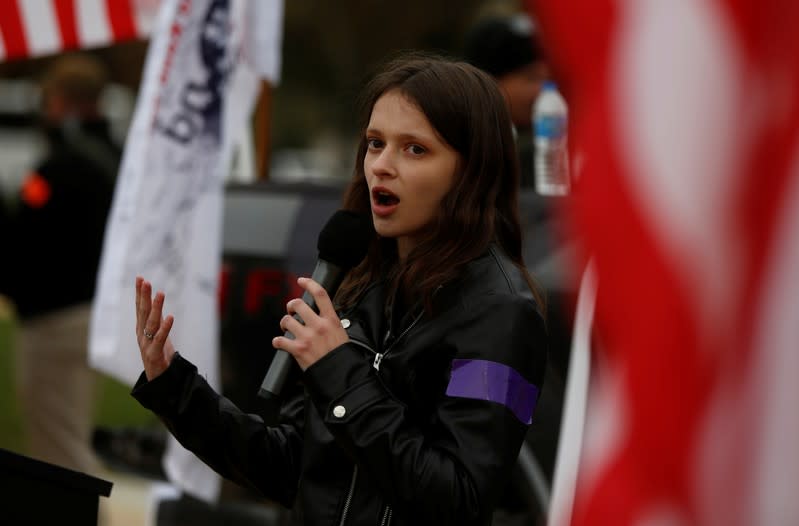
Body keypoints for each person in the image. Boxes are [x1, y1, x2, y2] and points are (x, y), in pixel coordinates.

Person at [132, 53, 548, 525]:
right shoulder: (360, 278)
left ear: (471, 169)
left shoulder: (500, 312)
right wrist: (177, 389)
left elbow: (458, 500)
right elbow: (294, 471)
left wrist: (340, 372)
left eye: (414, 149)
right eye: (375, 143)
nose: (381, 167)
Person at [1, 52, 119, 474]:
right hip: (92, 313)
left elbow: (25, 238)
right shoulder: (114, 158)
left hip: (57, 320)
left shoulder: (63, 166)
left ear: (63, 100)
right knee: (65, 438)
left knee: (59, 451)